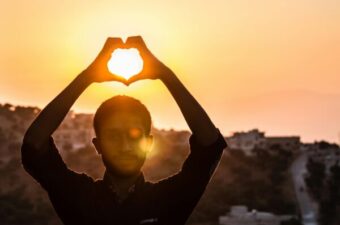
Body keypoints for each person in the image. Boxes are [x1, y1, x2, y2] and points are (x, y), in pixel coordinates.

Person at [21, 36, 227, 225]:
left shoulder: (167, 199)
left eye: (134, 135)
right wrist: (87, 77)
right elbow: (34, 144)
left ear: (149, 143)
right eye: (113, 136)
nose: (126, 146)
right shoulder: (79, 196)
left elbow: (209, 146)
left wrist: (165, 74)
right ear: (98, 145)